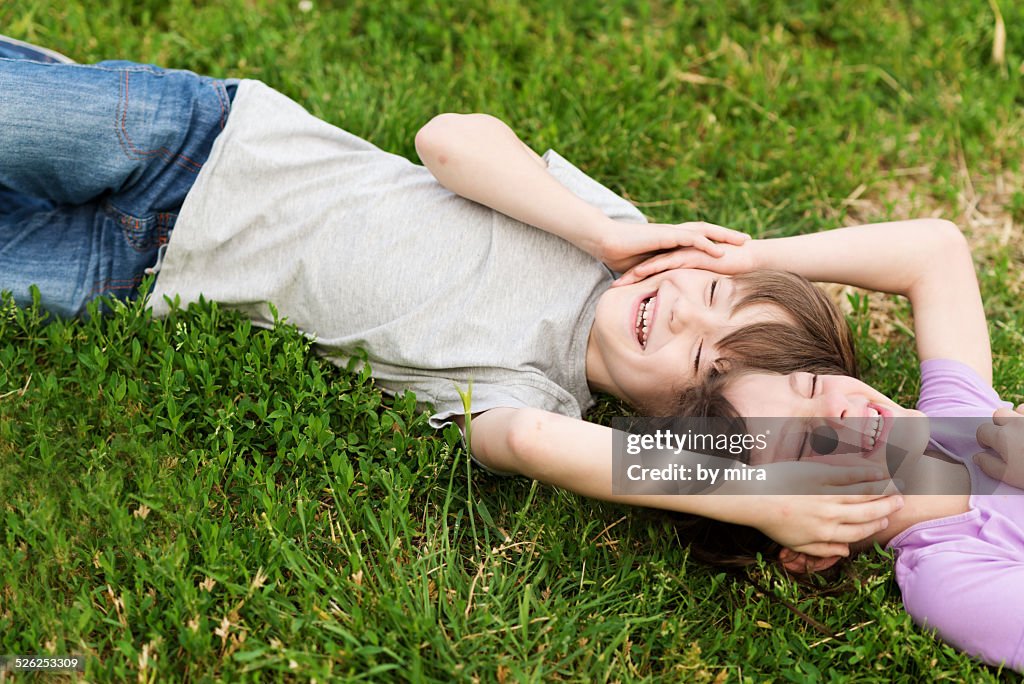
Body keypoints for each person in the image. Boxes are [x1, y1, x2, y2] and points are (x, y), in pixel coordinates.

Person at [0, 36, 902, 558]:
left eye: (702, 358)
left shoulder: (532, 396)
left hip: (136, 278)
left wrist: (752, 494)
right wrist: (602, 233)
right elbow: (447, 138)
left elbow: (533, 445)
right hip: (197, 143)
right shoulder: (602, 234)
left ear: (665, 426)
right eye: (712, 289)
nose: (680, 311)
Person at [656, 218, 1024, 670]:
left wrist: (752, 257)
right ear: (810, 550)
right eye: (803, 441)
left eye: (809, 385)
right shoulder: (950, 581)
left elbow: (938, 251)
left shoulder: (959, 418)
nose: (836, 408)